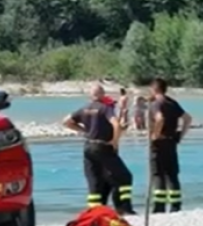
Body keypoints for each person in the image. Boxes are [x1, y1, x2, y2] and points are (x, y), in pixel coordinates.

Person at [63, 83, 135, 215]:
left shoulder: (84, 108)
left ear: (91, 95)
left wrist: (84, 130)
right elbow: (117, 125)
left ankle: (95, 211)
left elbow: (66, 121)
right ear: (102, 94)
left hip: (89, 147)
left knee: (95, 181)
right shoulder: (104, 108)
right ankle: (124, 208)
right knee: (124, 177)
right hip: (103, 147)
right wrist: (114, 141)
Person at [148, 77, 193, 213]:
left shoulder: (156, 103)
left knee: (158, 174)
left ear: (154, 89)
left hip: (159, 143)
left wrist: (155, 134)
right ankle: (175, 206)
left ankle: (159, 207)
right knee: (172, 174)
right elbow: (188, 118)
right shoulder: (172, 103)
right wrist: (181, 135)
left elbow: (160, 118)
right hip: (171, 141)